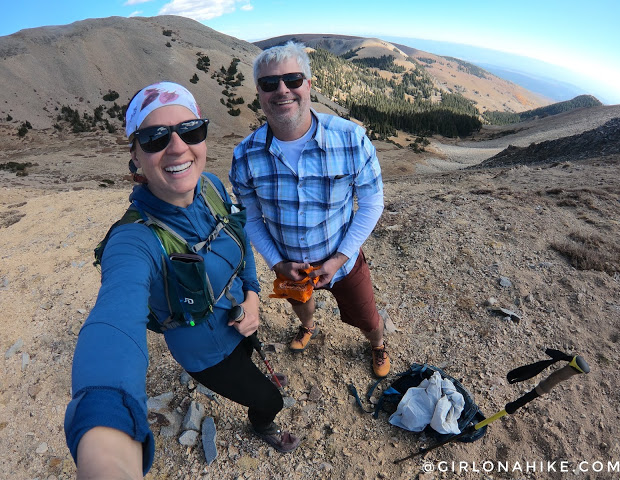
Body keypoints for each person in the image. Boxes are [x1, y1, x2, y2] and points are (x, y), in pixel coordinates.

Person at [64, 82, 299, 480]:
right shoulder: (135, 240)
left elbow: (238, 236)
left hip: (242, 313)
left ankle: (253, 368)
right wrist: (105, 437)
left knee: (251, 351)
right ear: (135, 156)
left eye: (190, 130)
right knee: (269, 398)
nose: (177, 147)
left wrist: (254, 295)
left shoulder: (210, 187)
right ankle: (263, 423)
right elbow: (114, 321)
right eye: (154, 138)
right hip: (204, 351)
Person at [229, 42, 390, 378]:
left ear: (309, 85)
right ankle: (309, 327)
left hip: (343, 262)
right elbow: (250, 218)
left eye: (293, 79)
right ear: (259, 92)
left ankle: (377, 345)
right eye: (270, 83)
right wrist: (276, 262)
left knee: (366, 316)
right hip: (290, 267)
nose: (282, 90)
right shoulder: (245, 155)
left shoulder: (351, 139)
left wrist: (340, 258)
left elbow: (372, 202)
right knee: (300, 303)